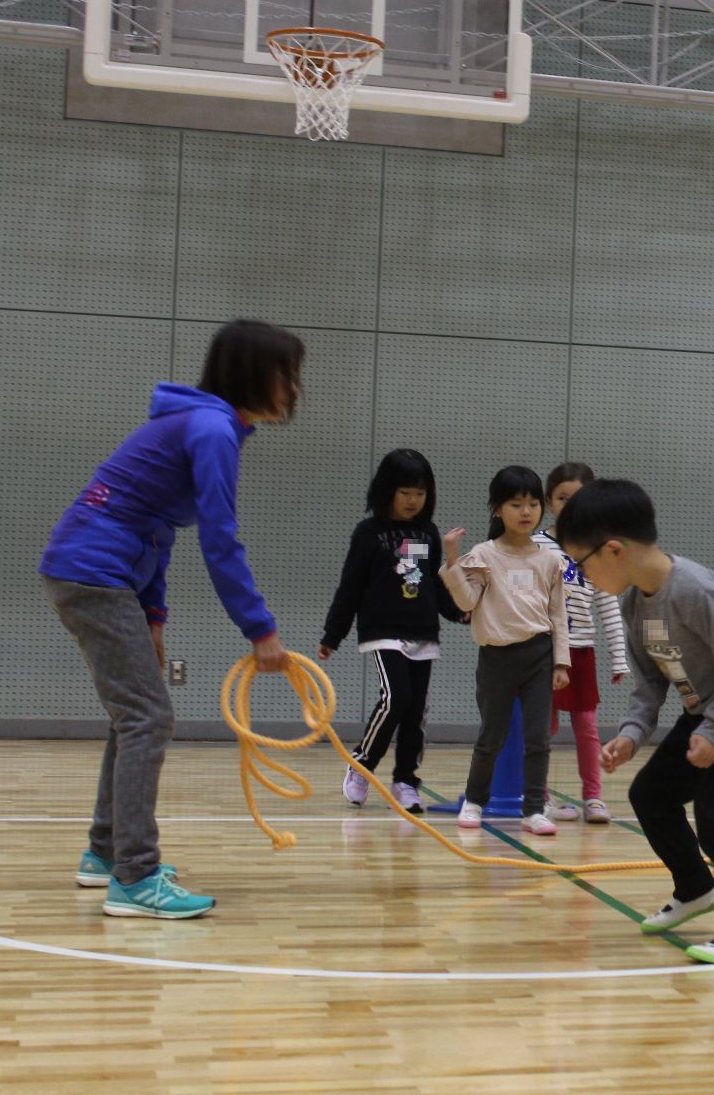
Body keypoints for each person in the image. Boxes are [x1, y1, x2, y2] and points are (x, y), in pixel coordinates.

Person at [42, 318, 303, 919]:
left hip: (98, 571)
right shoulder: (212, 428)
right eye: (287, 374)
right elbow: (220, 539)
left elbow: (156, 525)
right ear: (256, 375)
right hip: (92, 571)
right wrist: (259, 627)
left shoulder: (212, 425)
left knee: (133, 716)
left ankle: (105, 855)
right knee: (148, 718)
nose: (294, 388)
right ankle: (134, 877)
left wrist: (154, 613)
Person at [554, 478, 714, 964]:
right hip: (706, 709)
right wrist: (631, 734)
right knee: (650, 795)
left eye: (582, 563)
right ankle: (696, 888)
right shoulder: (634, 603)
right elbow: (650, 684)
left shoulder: (699, 592)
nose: (583, 575)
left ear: (614, 550)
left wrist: (713, 731)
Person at [320, 448, 464, 815]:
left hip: (423, 633)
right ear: (387, 490)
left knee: (416, 711)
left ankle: (405, 780)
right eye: (405, 492)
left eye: (420, 493)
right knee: (395, 698)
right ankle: (361, 764)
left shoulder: (427, 534)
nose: (413, 500)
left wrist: (459, 613)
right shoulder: (369, 534)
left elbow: (433, 585)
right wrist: (332, 636)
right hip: (383, 631)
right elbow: (349, 587)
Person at [441, 465, 571, 835]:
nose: (526, 512)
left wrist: (561, 662)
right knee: (491, 736)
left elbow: (557, 616)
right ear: (497, 509)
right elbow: (466, 601)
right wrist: (453, 559)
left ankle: (533, 809)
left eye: (532, 504)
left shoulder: (549, 560)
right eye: (516, 504)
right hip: (496, 657)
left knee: (537, 738)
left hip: (539, 657)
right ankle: (475, 801)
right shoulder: (484, 554)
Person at [533, 462, 629, 825]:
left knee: (586, 727)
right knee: (542, 727)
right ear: (548, 501)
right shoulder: (536, 545)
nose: (570, 506)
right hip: (542, 650)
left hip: (581, 651)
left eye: (579, 499)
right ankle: (538, 797)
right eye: (561, 498)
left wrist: (619, 659)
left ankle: (593, 796)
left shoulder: (595, 550)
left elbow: (608, 605)